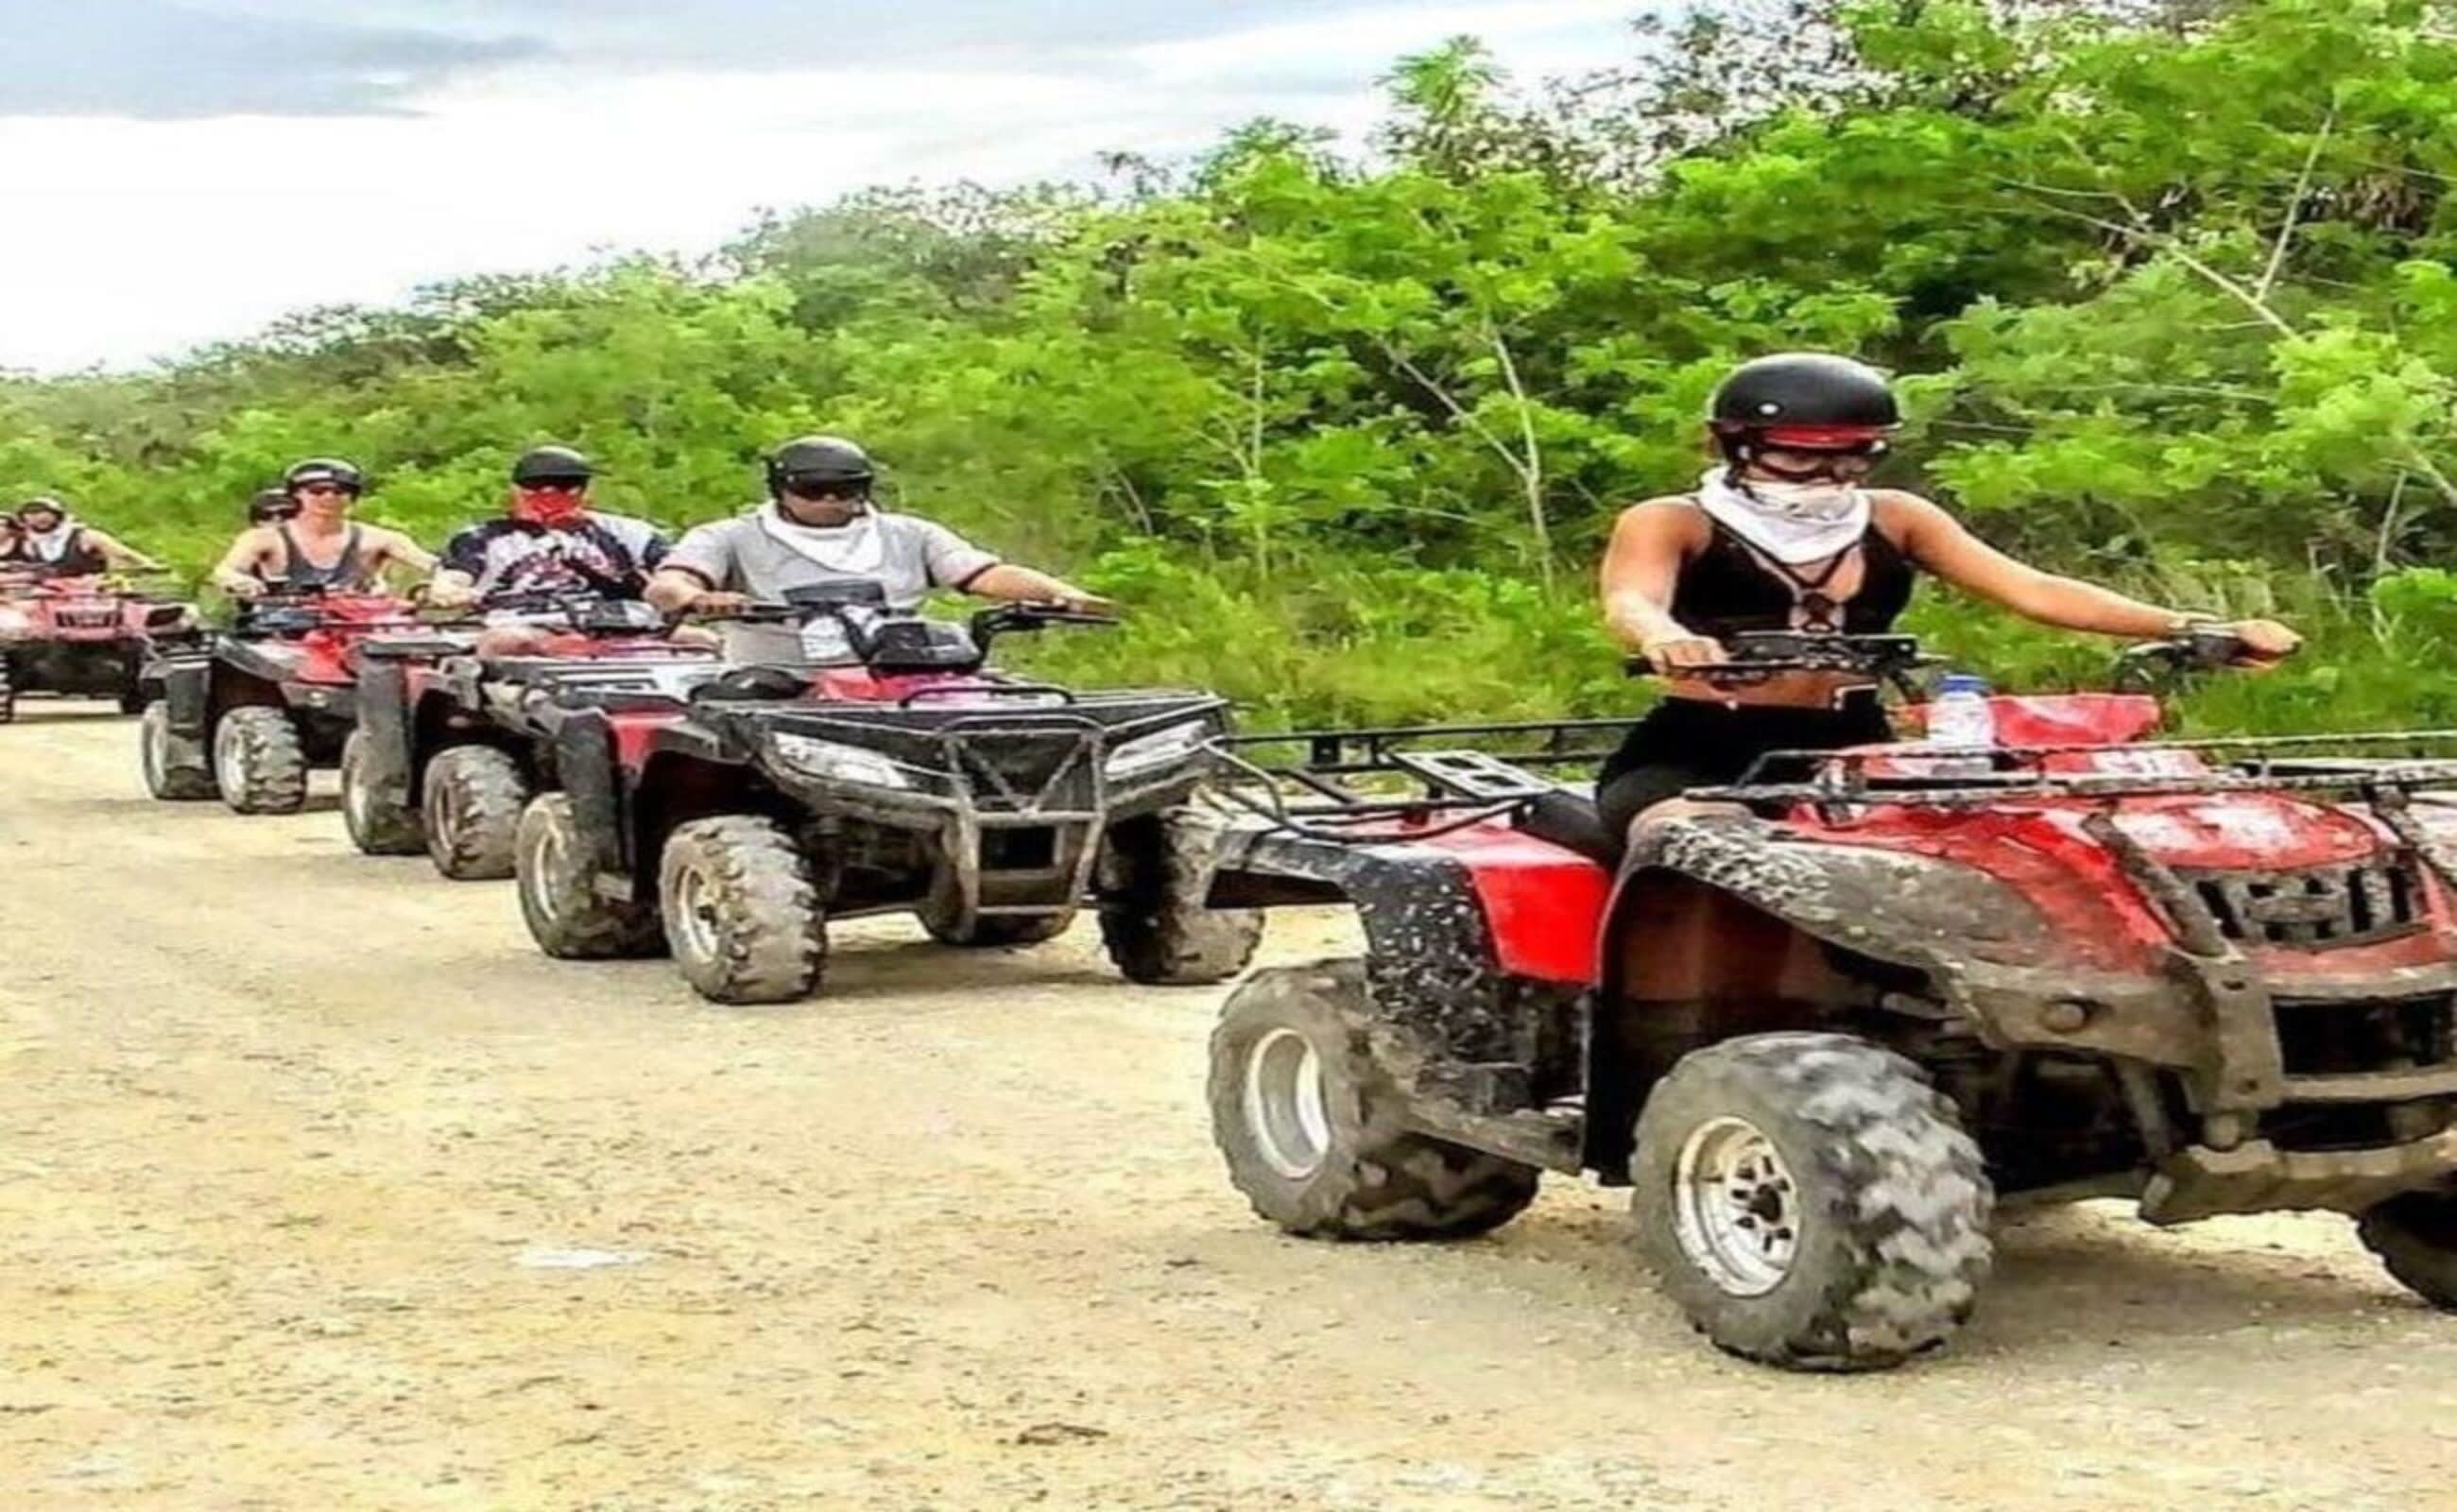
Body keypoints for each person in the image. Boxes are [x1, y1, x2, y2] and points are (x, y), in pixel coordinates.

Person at [1596, 352, 2300, 849]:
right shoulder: (1673, 520)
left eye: (1853, 454)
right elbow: (1631, 598)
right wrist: (1662, 636)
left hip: (1855, 745)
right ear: (1735, 445)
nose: (1829, 473)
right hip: (1698, 748)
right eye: (1801, 454)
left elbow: (2032, 589)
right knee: (1694, 846)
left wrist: (2193, 626)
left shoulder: (1897, 517)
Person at [643, 436, 1111, 631]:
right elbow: (668, 584)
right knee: (718, 753)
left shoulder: (910, 534)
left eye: (846, 489)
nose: (830, 500)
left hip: (904, 668)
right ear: (781, 489)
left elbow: (985, 574)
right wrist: (697, 598)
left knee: (1009, 709)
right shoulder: (729, 537)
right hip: (780, 675)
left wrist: (1062, 594)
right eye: (814, 489)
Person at [424, 446, 674, 655]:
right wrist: (449, 591)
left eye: (567, 486)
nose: (551, 496)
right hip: (528, 624)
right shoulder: (480, 538)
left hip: (628, 624)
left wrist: (678, 592)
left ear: (587, 490)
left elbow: (675, 571)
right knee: (507, 641)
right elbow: (454, 576)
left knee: (693, 638)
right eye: (536, 486)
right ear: (517, 491)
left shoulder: (629, 532)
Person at [209, 458, 435, 600]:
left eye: (340, 491)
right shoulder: (264, 538)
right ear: (296, 495)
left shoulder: (380, 539)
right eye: (317, 491)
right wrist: (241, 582)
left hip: (361, 626)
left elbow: (433, 564)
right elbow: (225, 571)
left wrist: (445, 583)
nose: (329, 497)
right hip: (285, 627)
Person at [12, 496, 162, 576]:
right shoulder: (30, 544)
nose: (38, 519)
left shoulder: (85, 536)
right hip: (50, 597)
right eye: (31, 515)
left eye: (43, 514)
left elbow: (123, 553)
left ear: (57, 515)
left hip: (91, 592)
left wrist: (149, 565)